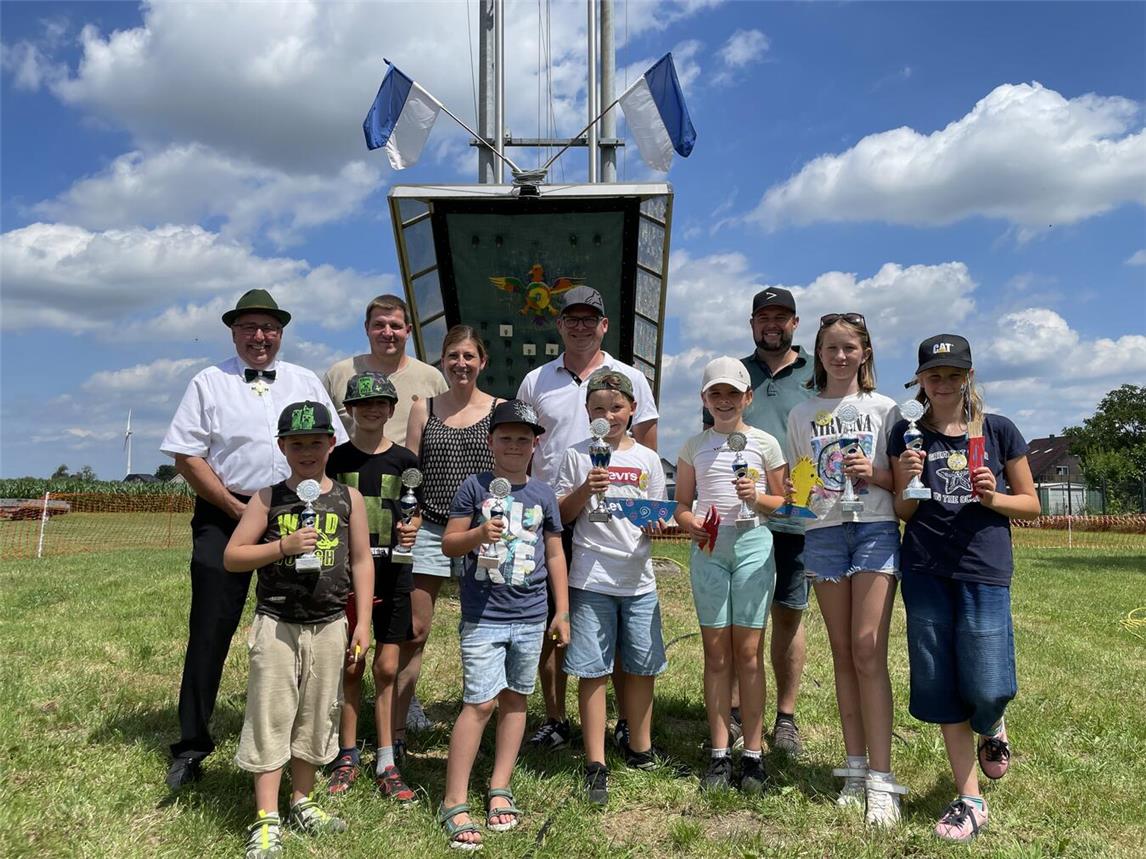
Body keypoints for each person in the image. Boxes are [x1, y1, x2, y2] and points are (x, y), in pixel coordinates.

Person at [161, 289, 347, 790]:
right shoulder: (209, 381)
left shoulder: (305, 381)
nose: (259, 337)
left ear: (281, 332)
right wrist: (234, 507)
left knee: (308, 625)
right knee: (210, 629)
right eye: (249, 328)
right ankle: (193, 744)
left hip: (301, 518)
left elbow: (336, 448)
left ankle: (309, 740)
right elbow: (187, 456)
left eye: (269, 328)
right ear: (234, 332)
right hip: (228, 512)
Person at [890, 334, 1039, 842]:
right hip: (926, 568)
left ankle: (992, 724)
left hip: (983, 567)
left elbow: (1031, 505)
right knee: (940, 684)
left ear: (968, 377)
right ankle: (969, 799)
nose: (944, 383)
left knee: (989, 683)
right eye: (934, 375)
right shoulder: (907, 436)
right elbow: (901, 512)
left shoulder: (998, 431)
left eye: (953, 374)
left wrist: (994, 497)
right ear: (920, 381)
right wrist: (907, 478)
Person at [223, 400, 373, 859]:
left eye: (315, 442)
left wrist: (361, 622)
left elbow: (361, 561)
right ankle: (267, 816)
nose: (306, 450)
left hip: (330, 623)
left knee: (317, 713)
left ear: (332, 443)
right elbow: (233, 557)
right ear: (282, 447)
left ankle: (302, 800)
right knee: (271, 713)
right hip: (278, 623)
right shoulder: (267, 498)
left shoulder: (349, 498)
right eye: (296, 443)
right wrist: (281, 546)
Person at [516, 285, 658, 751]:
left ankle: (620, 720)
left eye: (589, 318)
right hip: (554, 511)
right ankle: (556, 718)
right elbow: (525, 445)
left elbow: (648, 444)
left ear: (604, 326)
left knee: (613, 616)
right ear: (559, 325)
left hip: (615, 518)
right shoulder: (536, 381)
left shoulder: (629, 377)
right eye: (571, 318)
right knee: (556, 619)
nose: (580, 326)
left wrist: (642, 505)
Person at [785, 312, 905, 826]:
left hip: (876, 529)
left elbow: (903, 484)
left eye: (849, 348)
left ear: (865, 353)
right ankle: (854, 767)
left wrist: (871, 473)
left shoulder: (887, 409)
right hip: (824, 533)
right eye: (830, 348)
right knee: (840, 652)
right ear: (818, 353)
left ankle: (882, 779)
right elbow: (800, 482)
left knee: (866, 647)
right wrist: (798, 493)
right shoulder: (802, 413)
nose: (839, 356)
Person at [437, 400, 570, 850]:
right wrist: (478, 535)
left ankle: (499, 786)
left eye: (523, 438)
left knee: (516, 701)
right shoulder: (473, 488)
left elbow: (555, 555)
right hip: (484, 617)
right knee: (480, 704)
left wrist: (562, 610)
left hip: (531, 617)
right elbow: (450, 544)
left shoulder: (544, 495)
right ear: (490, 441)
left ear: (536, 444)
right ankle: (454, 798)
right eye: (505, 437)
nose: (514, 445)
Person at [703, 287, 815, 755]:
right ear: (752, 323)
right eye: (763, 316)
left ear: (794, 321)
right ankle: (731, 710)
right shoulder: (733, 375)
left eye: (782, 316)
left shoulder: (817, 370)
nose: (772, 324)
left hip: (791, 516)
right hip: (735, 523)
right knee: (736, 628)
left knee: (788, 615)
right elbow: (712, 438)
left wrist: (803, 497)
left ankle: (784, 717)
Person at [555, 369, 669, 805]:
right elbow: (563, 515)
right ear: (587, 412)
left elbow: (654, 515)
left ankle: (639, 747)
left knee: (641, 665)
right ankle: (596, 760)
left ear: (632, 409)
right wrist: (586, 489)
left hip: (638, 579)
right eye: (599, 408)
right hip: (591, 577)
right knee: (592, 669)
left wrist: (658, 523)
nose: (608, 415)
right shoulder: (576, 455)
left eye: (617, 407)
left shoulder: (647, 460)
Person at [674, 357, 787, 793]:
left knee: (749, 653)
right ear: (705, 399)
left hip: (753, 546)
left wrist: (756, 497)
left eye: (732, 394)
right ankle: (720, 753)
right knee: (717, 654)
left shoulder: (765, 443)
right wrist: (690, 523)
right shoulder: (692, 447)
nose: (724, 401)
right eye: (715, 394)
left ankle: (754, 755)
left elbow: (783, 503)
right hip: (709, 550)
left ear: (748, 398)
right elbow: (682, 504)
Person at [395, 325, 502, 758]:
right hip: (430, 528)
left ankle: (477, 720)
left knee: (482, 630)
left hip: (482, 534)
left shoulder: (500, 409)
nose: (461, 364)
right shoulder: (424, 408)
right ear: (442, 360)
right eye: (453, 355)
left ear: (482, 362)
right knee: (415, 631)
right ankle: (397, 729)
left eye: (469, 356)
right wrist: (410, 516)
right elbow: (410, 470)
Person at [324, 373, 420, 802]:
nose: (373, 410)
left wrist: (413, 527)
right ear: (349, 409)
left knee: (386, 668)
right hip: (348, 576)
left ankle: (386, 757)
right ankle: (347, 753)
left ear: (392, 409)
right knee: (351, 666)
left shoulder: (405, 461)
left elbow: (415, 512)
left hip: (396, 573)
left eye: (381, 403)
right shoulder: (335, 460)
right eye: (363, 404)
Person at [323, 294, 448, 446]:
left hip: (412, 469)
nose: (387, 333)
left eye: (395, 326)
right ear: (366, 328)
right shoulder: (338, 374)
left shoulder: (432, 378)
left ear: (408, 331)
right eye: (379, 325)